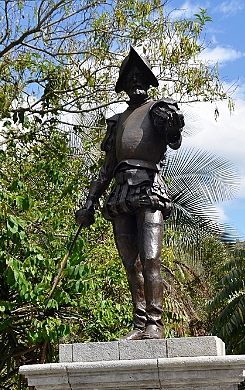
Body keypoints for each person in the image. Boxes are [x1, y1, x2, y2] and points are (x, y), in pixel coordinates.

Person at [76, 47, 184, 340]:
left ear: (148, 81)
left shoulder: (159, 110)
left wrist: (173, 125)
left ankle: (155, 323)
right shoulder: (118, 121)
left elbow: (173, 139)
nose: (135, 81)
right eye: (129, 77)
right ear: (123, 84)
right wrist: (90, 201)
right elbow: (107, 167)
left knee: (150, 258)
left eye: (139, 76)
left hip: (149, 189)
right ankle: (139, 324)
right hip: (120, 192)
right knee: (130, 263)